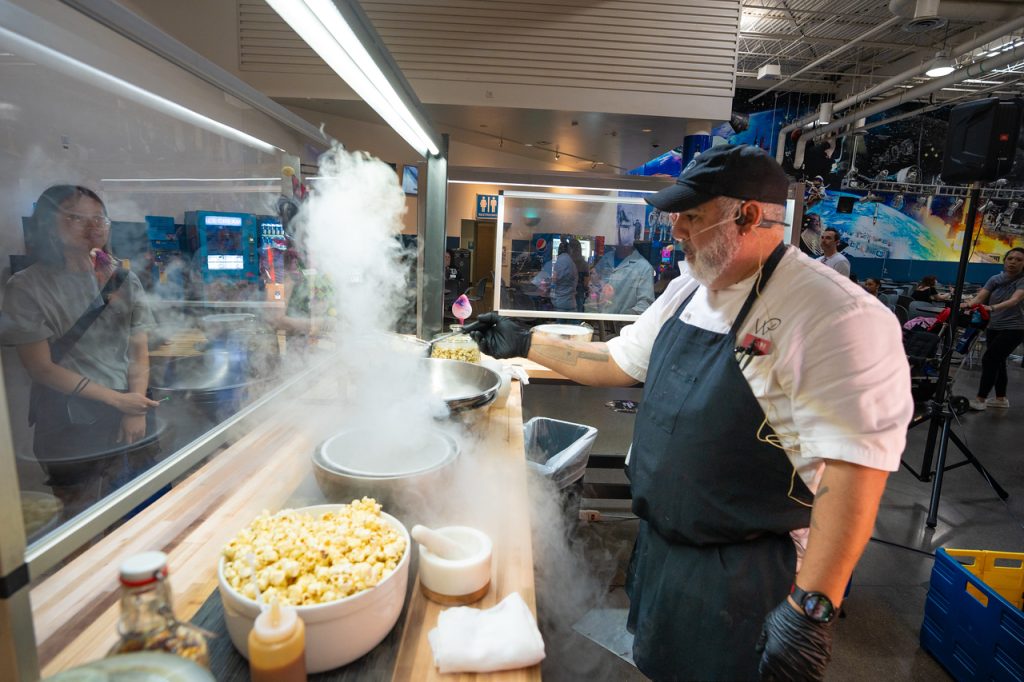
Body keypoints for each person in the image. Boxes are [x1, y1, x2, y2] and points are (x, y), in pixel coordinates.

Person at [469, 145, 912, 681]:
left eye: (692, 217)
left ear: (748, 215)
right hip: (663, 550)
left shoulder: (836, 315)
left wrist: (810, 607)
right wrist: (525, 341)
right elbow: (616, 361)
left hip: (748, 572)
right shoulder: (688, 290)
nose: (675, 230)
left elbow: (855, 471)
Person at [0, 185, 159, 516]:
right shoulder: (26, 286)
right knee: (80, 512)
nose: (93, 226)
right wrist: (118, 401)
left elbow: (138, 349)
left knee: (141, 503)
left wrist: (134, 408)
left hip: (130, 403)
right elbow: (41, 367)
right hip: (70, 419)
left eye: (99, 218)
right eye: (75, 218)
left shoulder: (122, 278)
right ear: (48, 225)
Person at [962, 247, 1024, 410]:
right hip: (994, 326)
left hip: (1015, 328)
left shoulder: (1022, 280)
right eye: (1010, 258)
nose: (1013, 262)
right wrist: (966, 305)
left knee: (990, 359)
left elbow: (1014, 300)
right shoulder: (995, 279)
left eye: (1019, 260)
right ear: (1005, 260)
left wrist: (992, 308)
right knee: (999, 361)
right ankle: (1001, 399)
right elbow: (979, 298)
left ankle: (980, 400)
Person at [588, 217, 655, 315]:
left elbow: (645, 305)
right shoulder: (606, 259)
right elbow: (593, 289)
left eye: (626, 228)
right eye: (618, 229)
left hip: (623, 323)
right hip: (599, 321)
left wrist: (621, 319)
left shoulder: (644, 268)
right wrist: (591, 311)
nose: (621, 234)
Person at [549, 239, 578, 314]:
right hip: (571, 301)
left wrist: (550, 283)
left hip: (561, 300)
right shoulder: (572, 262)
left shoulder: (559, 260)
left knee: (561, 320)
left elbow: (554, 279)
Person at [567, 236, 590, 312]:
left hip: (567, 292)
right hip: (579, 292)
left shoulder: (567, 262)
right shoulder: (583, 263)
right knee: (578, 313)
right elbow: (586, 282)